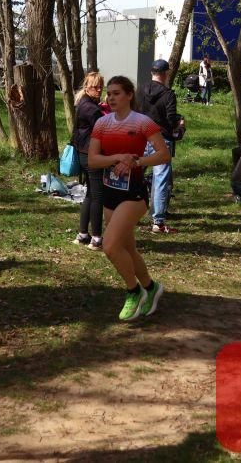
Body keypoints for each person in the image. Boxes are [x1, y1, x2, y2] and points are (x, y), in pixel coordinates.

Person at [88, 76, 170, 321]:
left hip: (133, 195)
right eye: (109, 93)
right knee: (128, 250)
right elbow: (93, 160)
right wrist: (118, 158)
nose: (111, 97)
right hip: (110, 193)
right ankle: (151, 288)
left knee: (110, 246)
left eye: (117, 93)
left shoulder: (142, 122)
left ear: (129, 95)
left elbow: (164, 154)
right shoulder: (102, 123)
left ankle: (134, 292)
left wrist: (138, 161)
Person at [137, 59, 185, 234]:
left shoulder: (140, 90)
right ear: (165, 74)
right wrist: (179, 124)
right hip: (160, 139)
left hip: (141, 137)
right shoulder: (168, 94)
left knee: (134, 175)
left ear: (152, 72)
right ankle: (158, 222)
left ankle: (125, 211)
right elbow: (171, 119)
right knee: (161, 179)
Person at [72, 72, 106, 250]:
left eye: (101, 86)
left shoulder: (84, 103)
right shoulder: (91, 109)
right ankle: (97, 238)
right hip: (91, 154)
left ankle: (83, 235)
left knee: (90, 194)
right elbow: (105, 128)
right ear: (87, 87)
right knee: (98, 196)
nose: (98, 90)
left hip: (84, 153)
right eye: (95, 87)